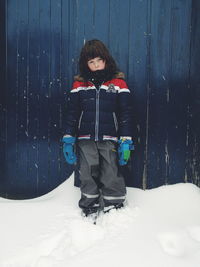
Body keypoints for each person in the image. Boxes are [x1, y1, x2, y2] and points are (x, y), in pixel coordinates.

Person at [62, 39, 133, 217]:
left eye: (99, 61)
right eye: (91, 62)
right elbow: (72, 113)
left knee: (111, 171)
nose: (96, 65)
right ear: (86, 65)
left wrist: (126, 140)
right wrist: (68, 138)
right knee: (87, 172)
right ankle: (89, 203)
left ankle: (114, 203)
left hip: (109, 137)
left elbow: (125, 112)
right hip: (85, 138)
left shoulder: (118, 83)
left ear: (106, 60)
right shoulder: (80, 84)